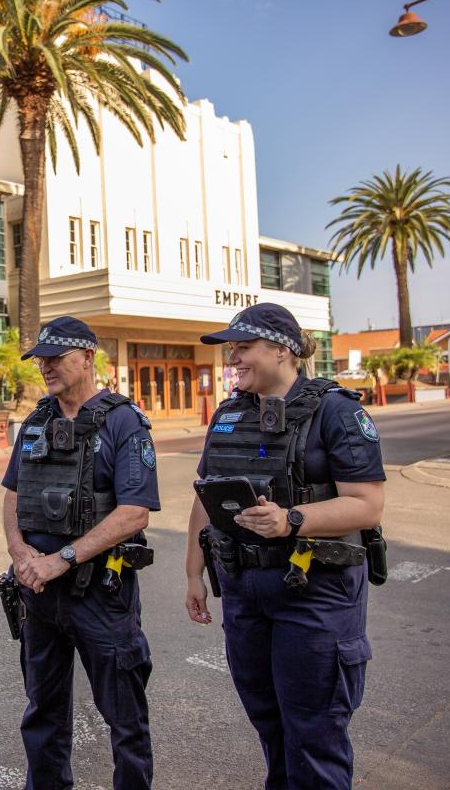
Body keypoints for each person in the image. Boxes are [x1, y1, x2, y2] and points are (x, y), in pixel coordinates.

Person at [184, 303, 387, 790]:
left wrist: (291, 519)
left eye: (243, 347)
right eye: (232, 348)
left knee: (314, 733)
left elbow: (367, 504)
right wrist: (193, 572)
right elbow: (204, 494)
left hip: (313, 593)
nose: (234, 357)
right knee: (270, 725)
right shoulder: (230, 413)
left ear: (282, 349)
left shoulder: (337, 411)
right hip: (243, 590)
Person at [1, 316, 160, 790]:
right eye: (41, 359)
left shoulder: (123, 421)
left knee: (125, 719)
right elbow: (12, 496)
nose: (45, 366)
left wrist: (61, 559)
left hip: (100, 596)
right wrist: (20, 553)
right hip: (39, 594)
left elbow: (134, 513)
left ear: (88, 357)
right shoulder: (37, 421)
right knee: (43, 715)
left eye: (56, 356)